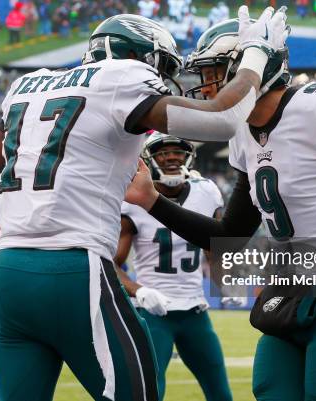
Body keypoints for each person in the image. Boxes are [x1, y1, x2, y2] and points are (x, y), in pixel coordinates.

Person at [0, 8, 290, 401]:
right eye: (163, 67)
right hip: (75, 268)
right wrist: (255, 53)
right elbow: (221, 122)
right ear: (139, 57)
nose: (166, 79)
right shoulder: (124, 76)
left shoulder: (29, 86)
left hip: (10, 275)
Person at [124, 18, 316, 401]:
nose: (208, 86)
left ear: (254, 68)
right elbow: (226, 239)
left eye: (216, 72)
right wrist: (152, 201)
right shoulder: (241, 137)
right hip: (289, 289)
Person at [113, 133, 232, 401]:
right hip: (154, 313)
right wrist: (139, 290)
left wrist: (228, 280)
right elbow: (110, 263)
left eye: (178, 152)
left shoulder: (207, 192)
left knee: (221, 394)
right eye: (163, 153)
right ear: (148, 159)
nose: (172, 158)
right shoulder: (132, 200)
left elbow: (215, 250)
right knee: (150, 393)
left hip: (195, 311)